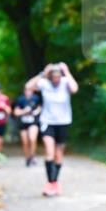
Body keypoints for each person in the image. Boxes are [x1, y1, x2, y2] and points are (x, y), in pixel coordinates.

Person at [26, 62, 78, 197]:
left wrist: (67, 72)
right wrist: (42, 73)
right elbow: (28, 86)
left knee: (58, 155)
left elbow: (75, 89)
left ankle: (55, 182)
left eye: (58, 76)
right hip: (47, 121)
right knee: (49, 153)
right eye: (53, 76)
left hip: (63, 122)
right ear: (50, 76)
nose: (56, 79)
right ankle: (50, 182)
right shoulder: (44, 83)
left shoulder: (66, 82)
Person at [13, 82, 43, 166]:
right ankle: (27, 158)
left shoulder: (36, 98)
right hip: (23, 123)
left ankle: (32, 156)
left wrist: (36, 112)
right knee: (25, 142)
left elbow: (40, 107)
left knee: (32, 139)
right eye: (26, 90)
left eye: (30, 90)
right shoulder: (20, 99)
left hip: (33, 122)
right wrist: (24, 111)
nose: (28, 91)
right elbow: (16, 112)